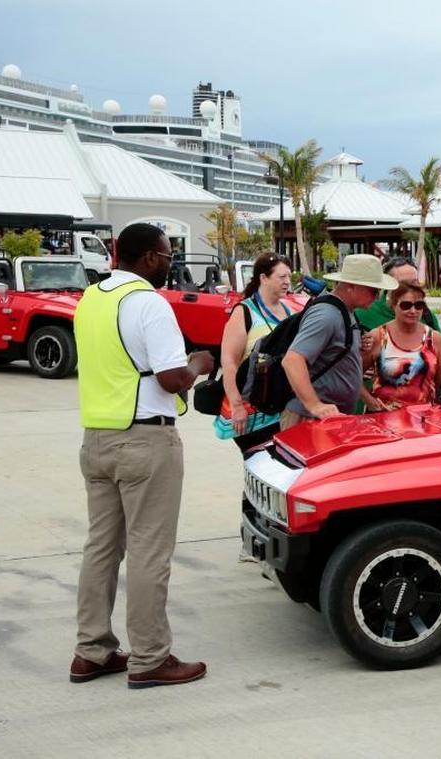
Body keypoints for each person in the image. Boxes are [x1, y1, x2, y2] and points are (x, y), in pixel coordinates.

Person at [71, 223, 214, 688]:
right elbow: (173, 379)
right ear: (151, 258)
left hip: (97, 439)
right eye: (169, 256)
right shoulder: (149, 303)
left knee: (101, 549)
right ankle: (151, 658)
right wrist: (201, 363)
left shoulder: (91, 299)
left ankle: (91, 650)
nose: (171, 264)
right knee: (150, 552)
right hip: (145, 441)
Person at [281, 255, 397, 429]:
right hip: (309, 418)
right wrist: (315, 405)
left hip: (327, 418)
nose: (377, 296)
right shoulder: (327, 315)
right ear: (351, 286)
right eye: (373, 290)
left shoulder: (344, 311)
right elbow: (292, 360)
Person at [215, 253, 301, 454]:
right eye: (282, 277)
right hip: (252, 409)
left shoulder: (289, 311)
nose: (288, 282)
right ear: (263, 278)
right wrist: (237, 405)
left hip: (281, 408)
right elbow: (229, 362)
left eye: (289, 277)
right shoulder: (244, 312)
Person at [361, 282, 441, 410]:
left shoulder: (435, 339)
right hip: (384, 419)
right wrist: (370, 402)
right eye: (406, 305)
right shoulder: (378, 336)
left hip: (424, 420)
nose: (413, 311)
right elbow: (352, 374)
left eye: (419, 306)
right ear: (393, 305)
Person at [355, 256, 440, 332]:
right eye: (403, 283)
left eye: (414, 282)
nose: (410, 289)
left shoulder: (426, 315)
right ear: (388, 284)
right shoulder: (364, 314)